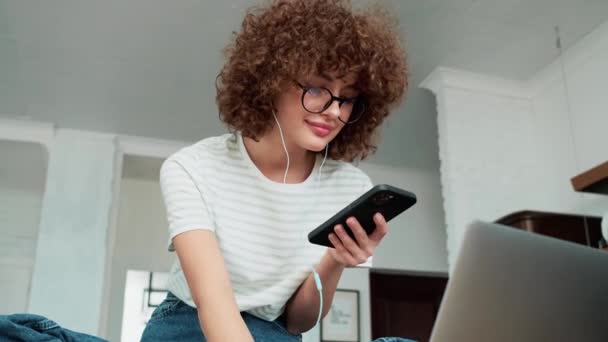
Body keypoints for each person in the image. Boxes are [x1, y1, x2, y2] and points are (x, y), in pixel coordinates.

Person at [141, 0, 409, 341]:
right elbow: (214, 303)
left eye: (347, 99)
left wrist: (335, 260)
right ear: (270, 81)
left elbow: (298, 321)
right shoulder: (192, 168)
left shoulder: (350, 186)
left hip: (276, 332)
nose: (333, 111)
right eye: (317, 89)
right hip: (190, 323)